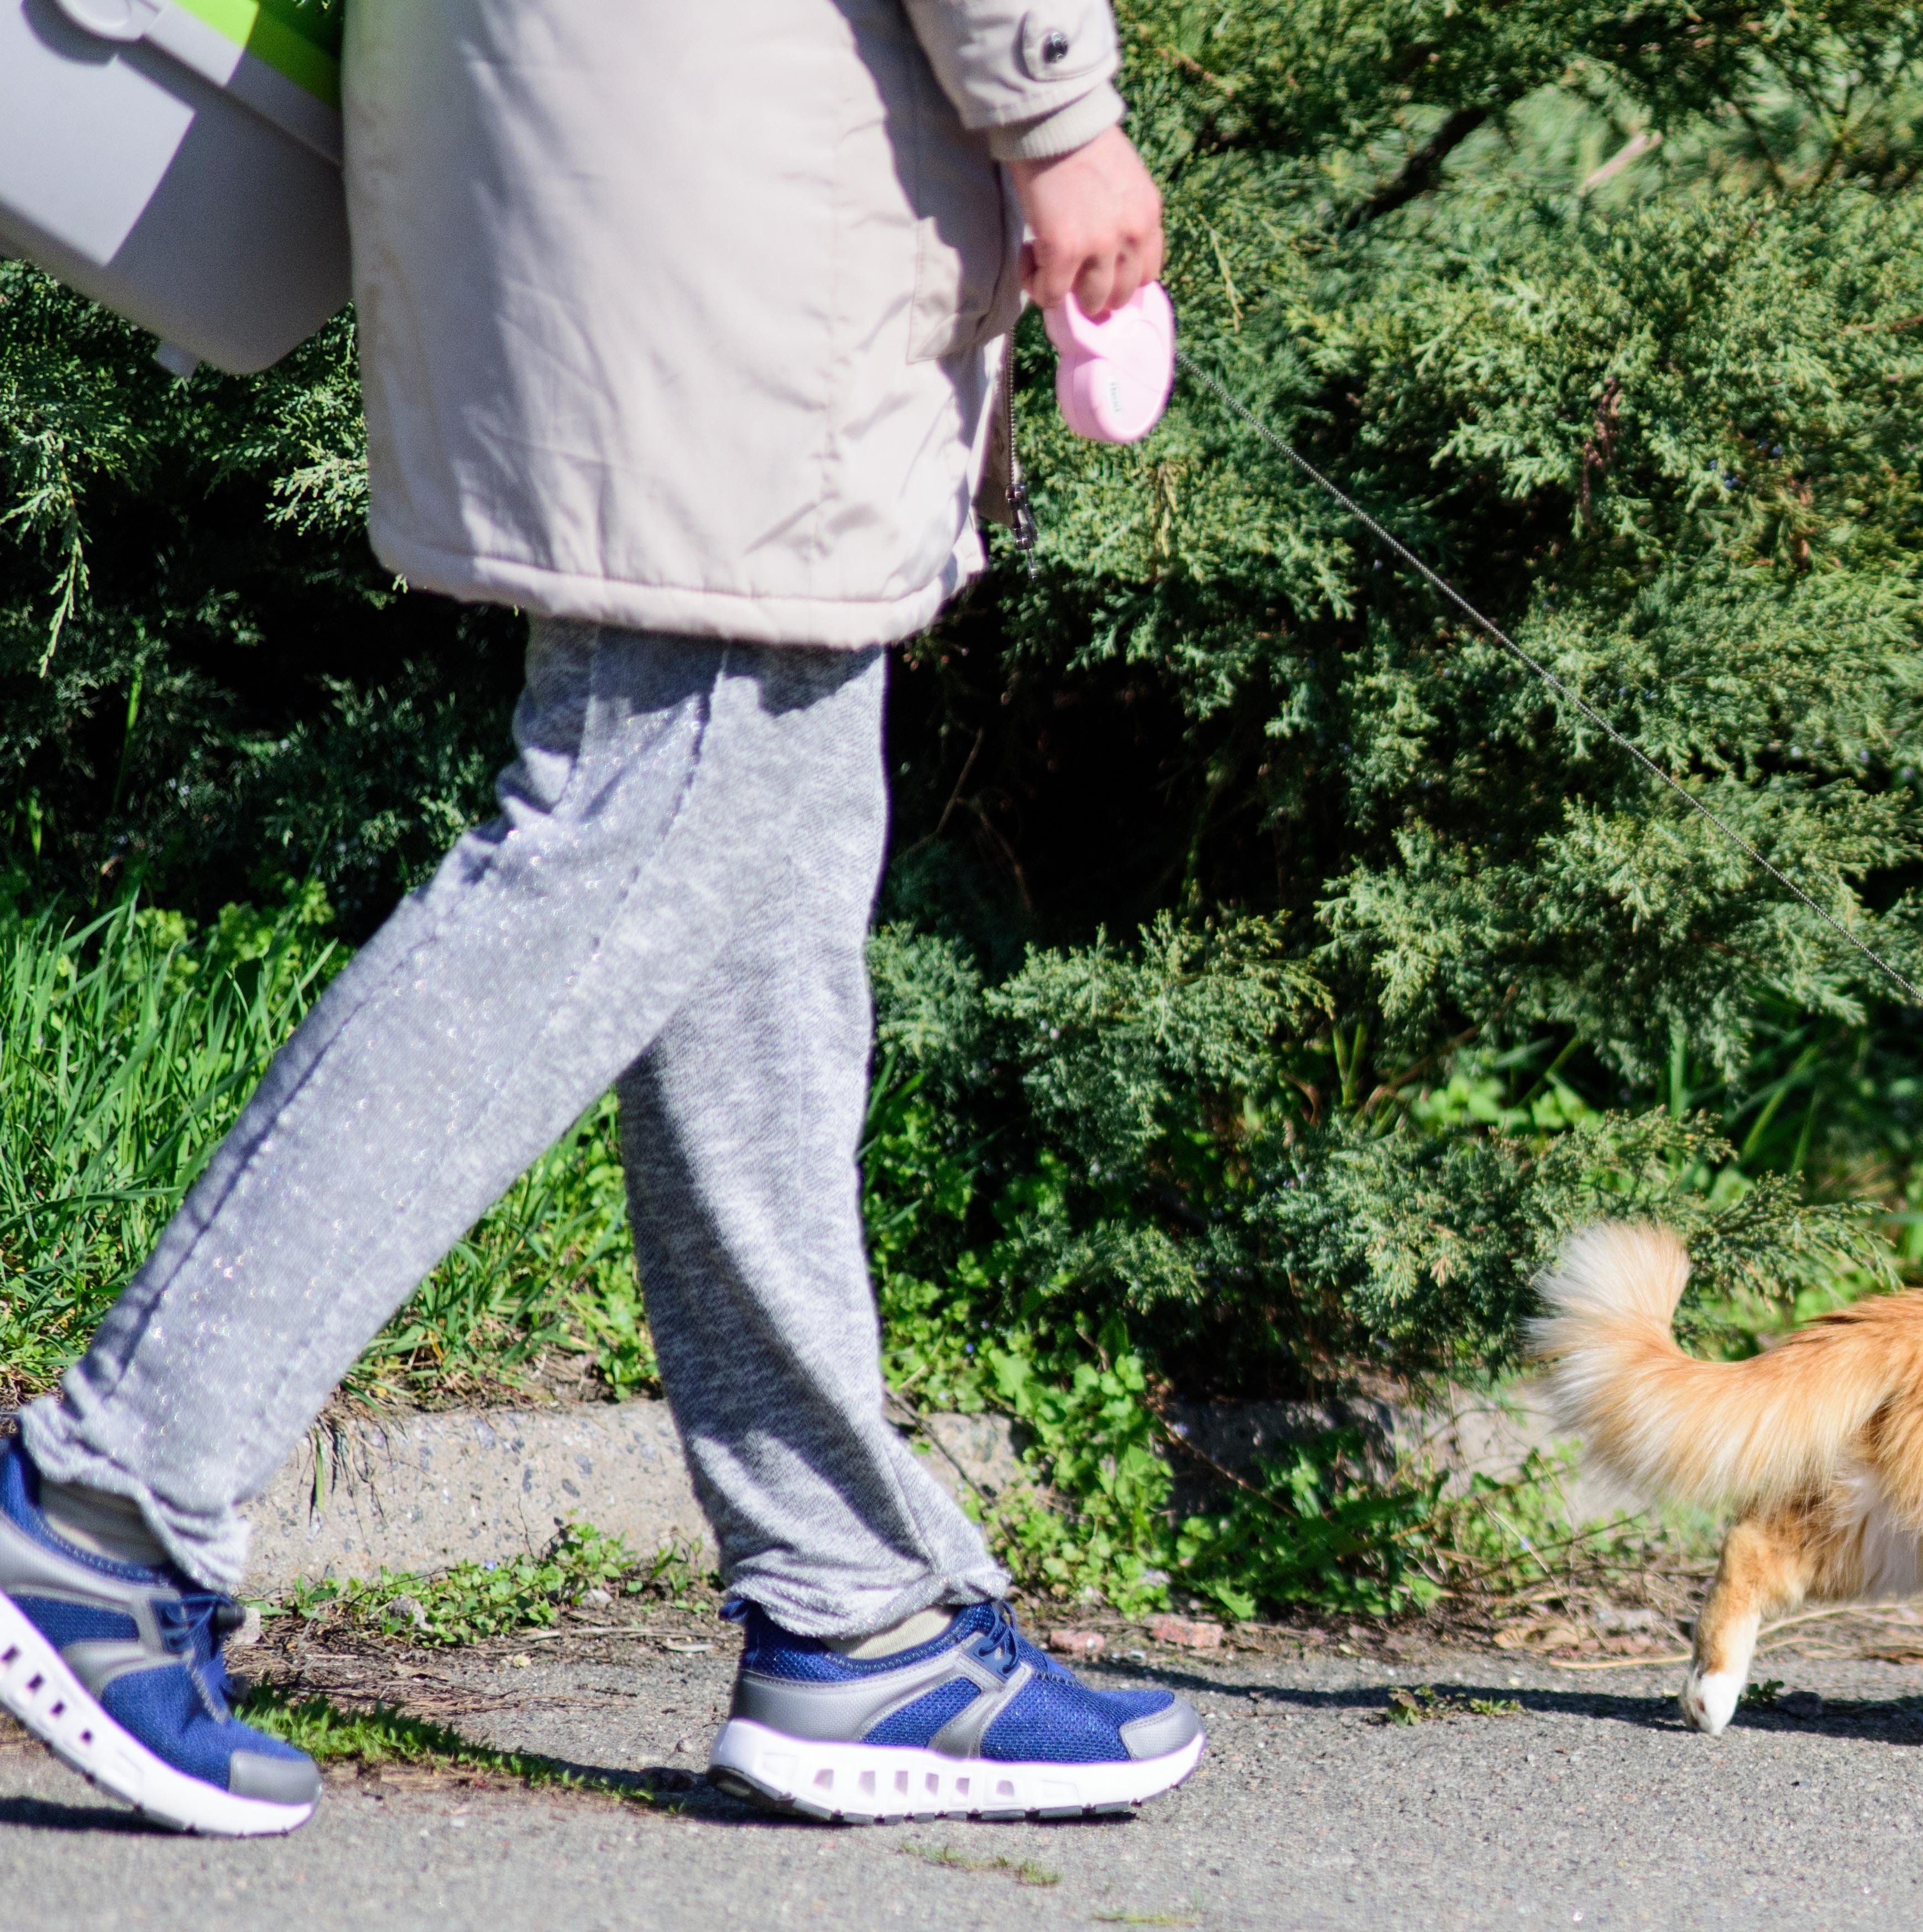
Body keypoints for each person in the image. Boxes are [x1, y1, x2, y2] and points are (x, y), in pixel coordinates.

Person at [0, 0, 1189, 1835]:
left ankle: (853, 1613)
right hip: (729, 141)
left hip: (586, 105)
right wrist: (1053, 102)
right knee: (644, 808)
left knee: (763, 850)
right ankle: (107, 1505)